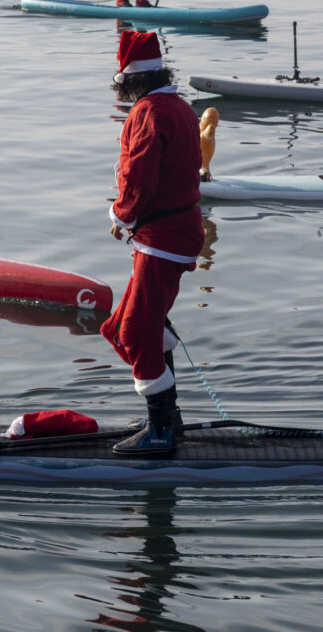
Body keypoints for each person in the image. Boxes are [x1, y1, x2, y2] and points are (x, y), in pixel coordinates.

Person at [102, 30, 204, 456]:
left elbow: (138, 177)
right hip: (174, 233)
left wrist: (120, 216)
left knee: (137, 332)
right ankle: (168, 416)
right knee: (119, 328)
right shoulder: (178, 105)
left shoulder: (147, 112)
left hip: (162, 238)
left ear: (131, 80)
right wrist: (129, 219)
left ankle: (160, 430)